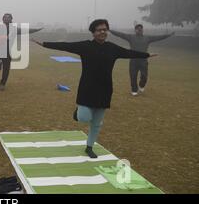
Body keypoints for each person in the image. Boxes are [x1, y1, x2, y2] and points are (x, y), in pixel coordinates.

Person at [32, 19, 157, 158]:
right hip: (87, 88)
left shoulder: (112, 48)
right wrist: (44, 44)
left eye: (105, 29)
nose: (102, 32)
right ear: (93, 32)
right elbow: (66, 45)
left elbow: (128, 53)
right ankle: (78, 112)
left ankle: (89, 147)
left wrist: (146, 55)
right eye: (99, 30)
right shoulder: (85, 46)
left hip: (105, 89)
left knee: (97, 123)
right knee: (84, 117)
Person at [110, 25, 174, 96]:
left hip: (143, 60)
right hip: (133, 60)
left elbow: (158, 37)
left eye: (140, 29)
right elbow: (120, 34)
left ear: (142, 30)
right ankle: (134, 90)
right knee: (133, 76)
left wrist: (169, 35)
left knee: (144, 76)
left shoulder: (147, 38)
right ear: (135, 30)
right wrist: (110, 30)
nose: (139, 30)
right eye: (137, 29)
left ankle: (141, 85)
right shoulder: (131, 37)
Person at [0, 13, 43, 91]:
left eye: (9, 17)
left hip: (7, 51)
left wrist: (36, 29)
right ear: (3, 19)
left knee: (6, 68)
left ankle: (2, 84)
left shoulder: (15, 29)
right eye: (5, 17)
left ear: (11, 19)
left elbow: (27, 30)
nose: (7, 18)